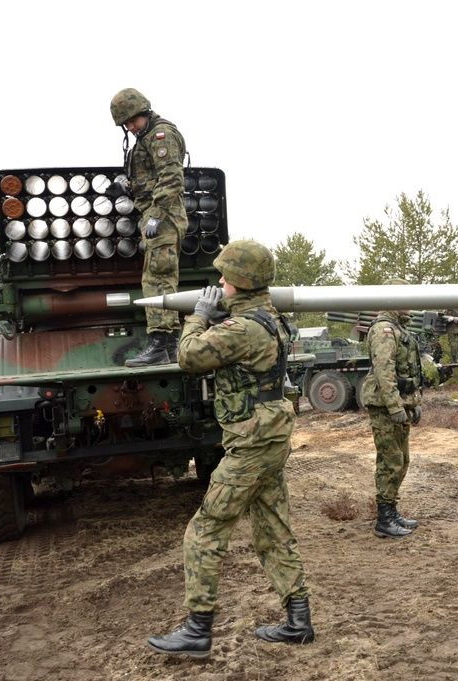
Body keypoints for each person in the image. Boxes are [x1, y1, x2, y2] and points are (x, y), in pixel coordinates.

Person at [147, 240, 313, 658]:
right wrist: (220, 313)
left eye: (225, 276)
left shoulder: (242, 329)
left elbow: (189, 357)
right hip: (268, 437)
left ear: (240, 280)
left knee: (204, 532)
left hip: (252, 444)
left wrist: (198, 316)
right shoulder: (268, 319)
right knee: (273, 530)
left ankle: (197, 630)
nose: (219, 281)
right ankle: (299, 621)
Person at [109, 88, 188, 366]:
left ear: (143, 111)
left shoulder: (160, 134)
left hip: (164, 219)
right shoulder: (146, 138)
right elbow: (151, 178)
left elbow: (172, 178)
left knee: (158, 280)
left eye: (132, 121)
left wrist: (156, 215)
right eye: (125, 124)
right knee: (158, 278)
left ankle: (159, 345)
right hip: (158, 217)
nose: (130, 127)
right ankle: (169, 347)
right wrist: (127, 186)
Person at [359, 278, 423, 539]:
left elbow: (407, 373)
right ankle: (384, 519)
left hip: (398, 404)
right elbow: (385, 373)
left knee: (402, 460)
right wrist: (396, 406)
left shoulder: (397, 328)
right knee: (391, 461)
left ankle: (392, 511)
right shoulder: (384, 330)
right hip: (385, 406)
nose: (411, 303)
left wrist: (413, 403)